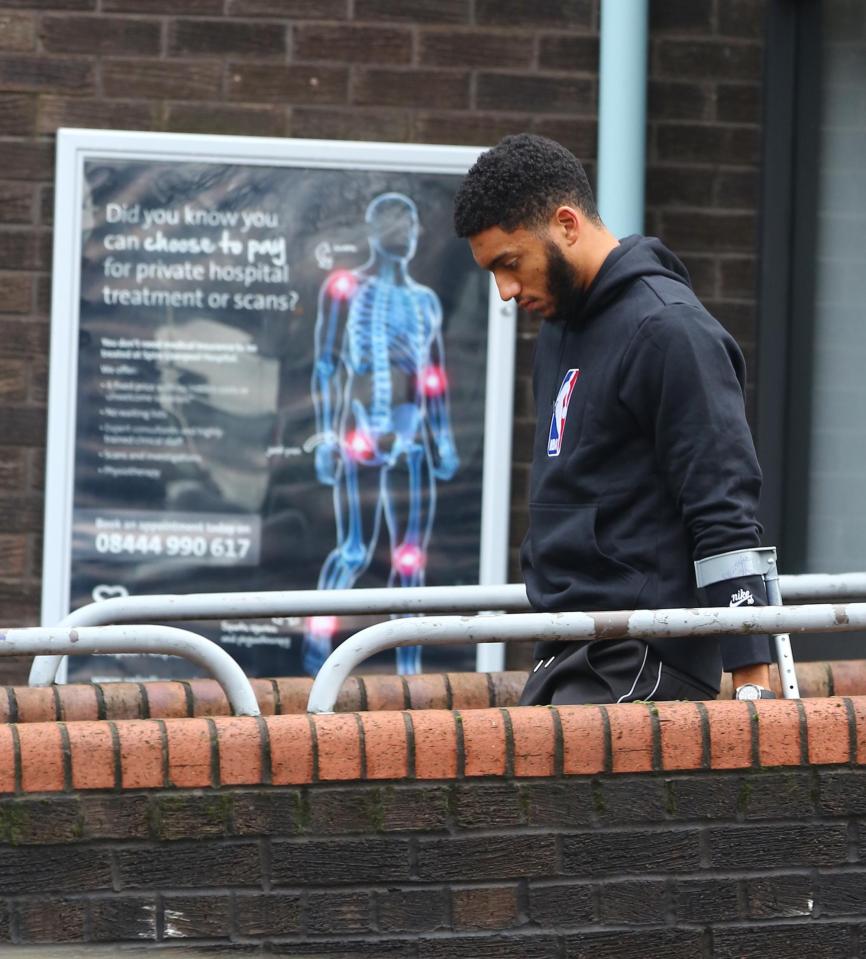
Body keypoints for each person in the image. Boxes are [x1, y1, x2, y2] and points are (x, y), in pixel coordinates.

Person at [453, 133, 773, 705]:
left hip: (647, 656)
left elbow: (722, 504)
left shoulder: (671, 331)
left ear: (567, 224)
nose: (504, 291)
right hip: (568, 646)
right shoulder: (557, 329)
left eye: (510, 264)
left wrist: (752, 681)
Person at [303, 192, 460, 677]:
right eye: (394, 225)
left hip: (410, 439)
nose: (405, 235)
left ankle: (408, 674)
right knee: (353, 550)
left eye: (410, 225)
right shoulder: (347, 289)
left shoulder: (425, 302)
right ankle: (313, 658)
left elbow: (433, 375)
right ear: (373, 232)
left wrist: (444, 439)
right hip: (361, 435)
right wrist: (329, 436)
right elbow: (327, 365)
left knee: (409, 560)